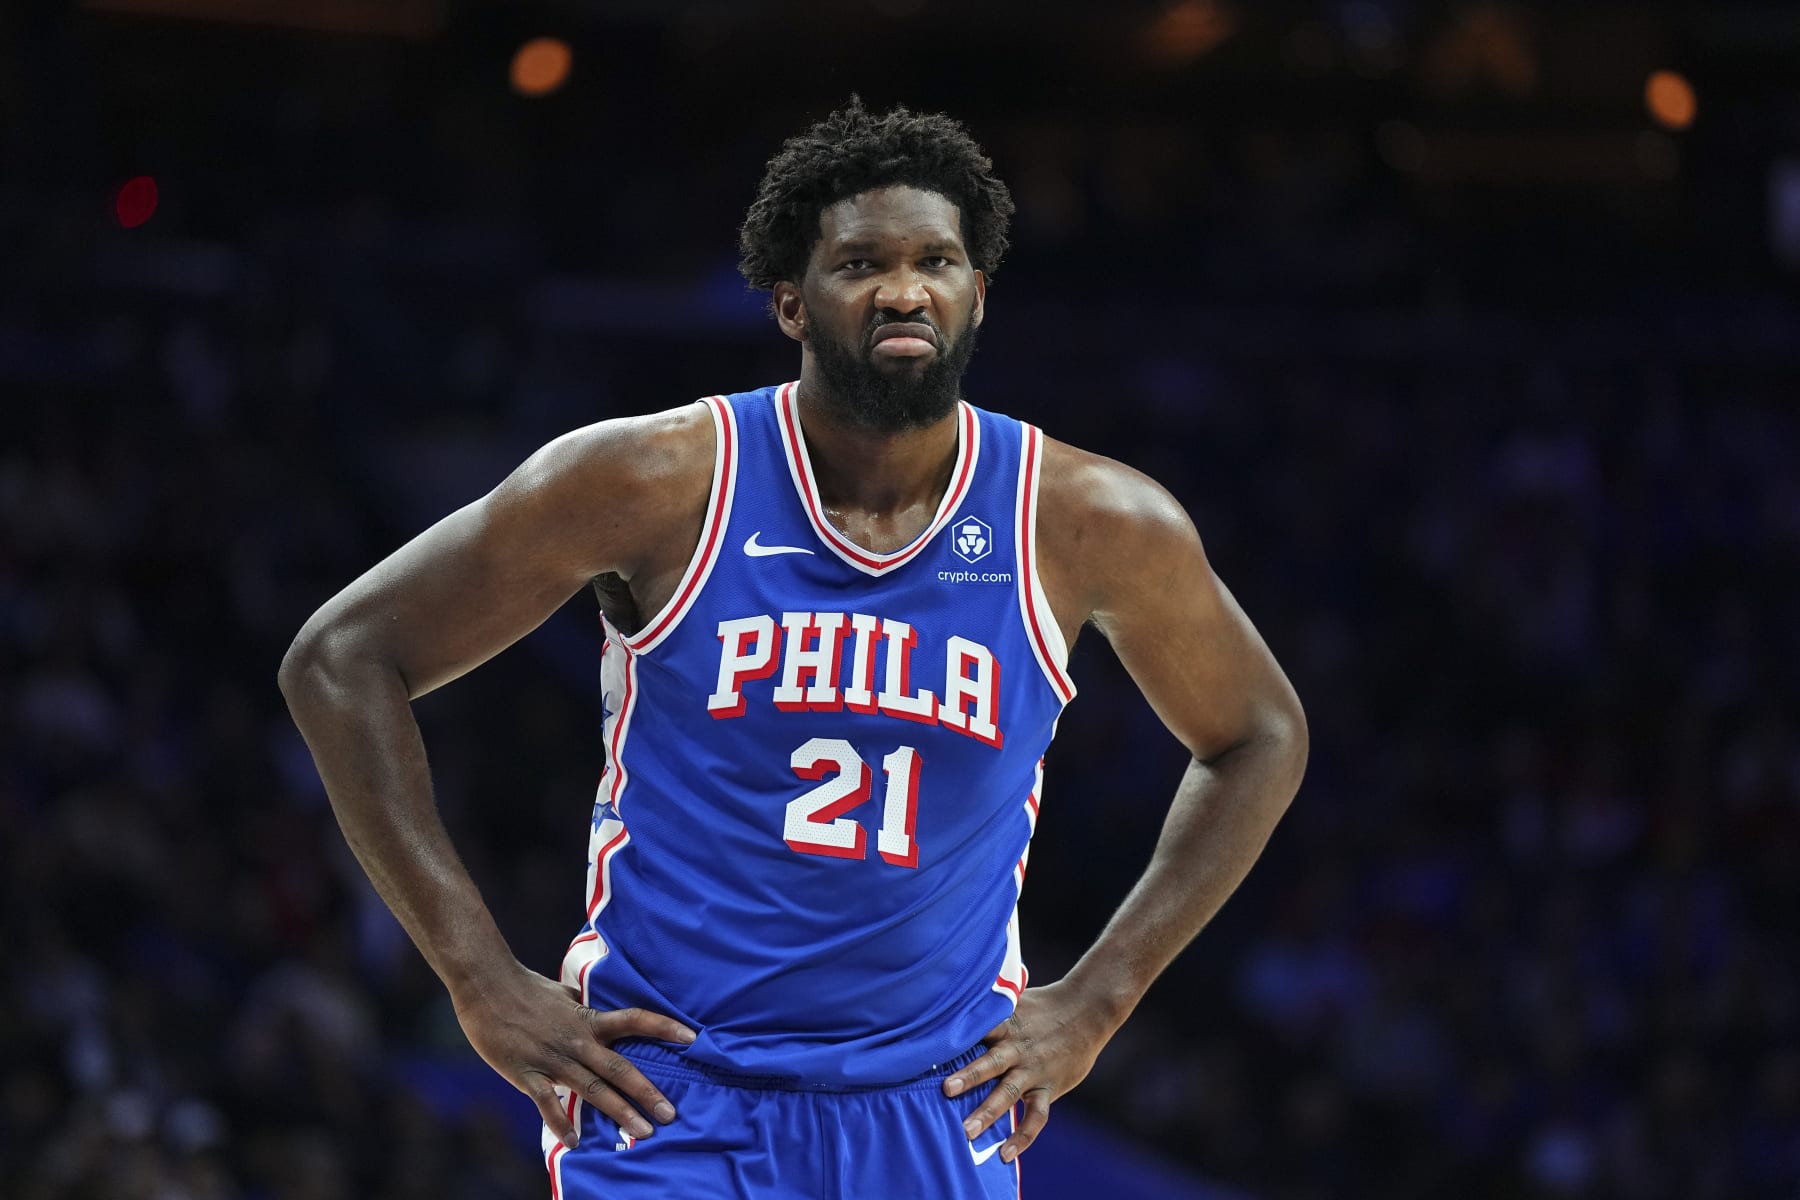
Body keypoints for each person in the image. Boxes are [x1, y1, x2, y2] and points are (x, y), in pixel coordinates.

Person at [279, 98, 1308, 1198]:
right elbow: (341, 659)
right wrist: (476, 976)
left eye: (937, 260)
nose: (904, 288)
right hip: (673, 1100)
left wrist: (1097, 1001)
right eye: (861, 262)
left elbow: (1259, 734)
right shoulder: (655, 482)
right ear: (791, 303)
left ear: (977, 296)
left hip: (939, 1105)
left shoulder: (1090, 520)